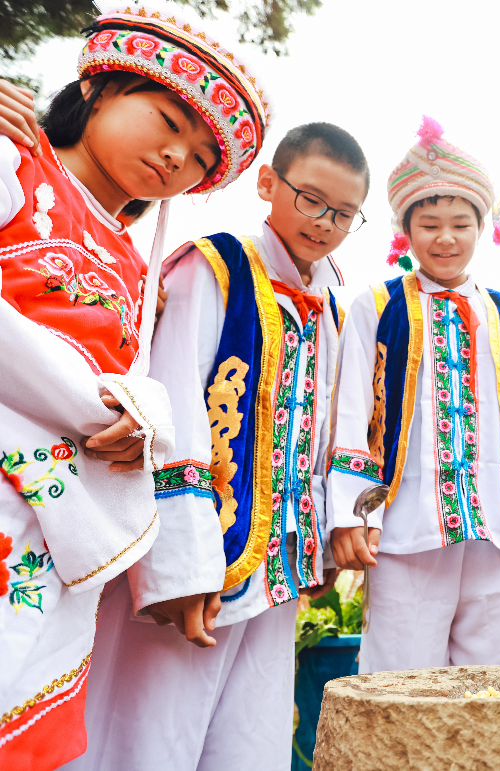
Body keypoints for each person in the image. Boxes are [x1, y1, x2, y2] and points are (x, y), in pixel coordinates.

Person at [0, 2, 269, 768]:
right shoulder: (16, 164)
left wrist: (140, 412)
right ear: (96, 88)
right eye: (167, 119)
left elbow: (132, 384)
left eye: (199, 154)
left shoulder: (139, 267)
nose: (176, 154)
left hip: (57, 527)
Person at [62, 121, 365, 771]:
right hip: (200, 556)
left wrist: (322, 535)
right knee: (153, 734)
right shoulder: (216, 265)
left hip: (277, 565)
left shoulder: (334, 300)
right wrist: (180, 569)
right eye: (311, 199)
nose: (324, 222)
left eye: (343, 213)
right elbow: (172, 410)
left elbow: (326, 431)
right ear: (268, 183)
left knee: (252, 740)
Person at [328, 117, 500, 673]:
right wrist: (352, 512)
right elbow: (352, 412)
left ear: (481, 228)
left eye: (461, 224)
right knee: (401, 680)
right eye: (429, 224)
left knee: (491, 680)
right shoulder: (376, 305)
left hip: (493, 528)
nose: (445, 238)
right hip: (404, 529)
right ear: (405, 231)